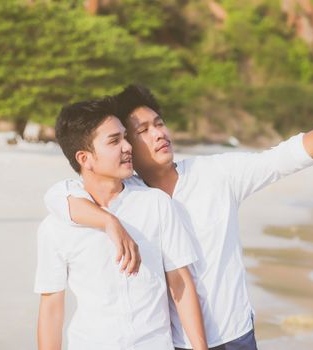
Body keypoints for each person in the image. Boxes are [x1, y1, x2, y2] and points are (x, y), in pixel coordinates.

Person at [44, 85, 313, 349]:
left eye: (159, 123)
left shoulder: (215, 173)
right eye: (142, 130)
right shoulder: (127, 194)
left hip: (234, 334)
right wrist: (108, 222)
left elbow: (281, 159)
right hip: (171, 341)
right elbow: (59, 196)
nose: (159, 133)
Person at [35, 97, 208, 350]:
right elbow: (51, 307)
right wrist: (109, 222)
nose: (128, 147)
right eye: (114, 141)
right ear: (85, 158)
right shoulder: (57, 226)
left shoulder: (156, 204)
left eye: (126, 137)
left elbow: (180, 283)